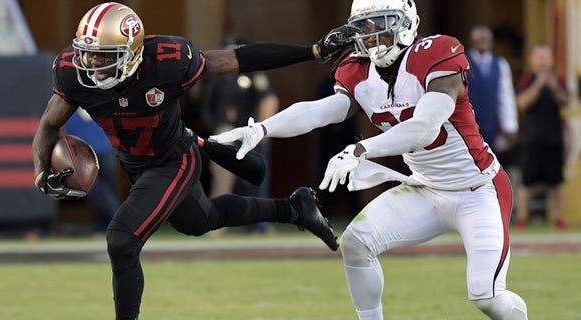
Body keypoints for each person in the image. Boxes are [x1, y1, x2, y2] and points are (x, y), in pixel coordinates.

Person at [32, 2, 357, 319]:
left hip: (174, 158)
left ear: (131, 54)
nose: (90, 62)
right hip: (136, 164)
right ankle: (294, 208)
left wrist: (312, 52)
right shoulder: (73, 74)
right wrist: (41, 174)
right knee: (202, 219)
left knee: (121, 238)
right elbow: (49, 124)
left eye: (102, 55)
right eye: (86, 52)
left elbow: (240, 59)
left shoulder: (167, 61)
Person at [210, 0, 528, 318]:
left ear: (406, 23)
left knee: (486, 296)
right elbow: (319, 110)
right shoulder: (359, 68)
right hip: (426, 189)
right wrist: (262, 129)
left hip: (477, 189)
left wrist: (361, 149)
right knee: (356, 243)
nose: (371, 34)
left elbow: (424, 128)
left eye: (380, 23)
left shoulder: (435, 54)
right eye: (364, 26)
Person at [200, 36, 280, 234]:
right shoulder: (216, 77)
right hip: (225, 133)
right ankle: (216, 224)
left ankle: (259, 223)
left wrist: (262, 130)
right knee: (221, 179)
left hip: (250, 132)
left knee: (255, 179)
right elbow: (206, 106)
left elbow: (268, 99)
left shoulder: (254, 73)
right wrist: (217, 125)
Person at [514, 43, 569, 231]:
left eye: (546, 57)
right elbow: (522, 104)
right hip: (531, 138)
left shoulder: (559, 80)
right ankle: (522, 218)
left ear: (551, 59)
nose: (543, 61)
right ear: (532, 60)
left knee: (555, 182)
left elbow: (565, 102)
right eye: (539, 57)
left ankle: (558, 218)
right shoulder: (526, 80)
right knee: (526, 182)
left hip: (553, 138)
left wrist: (553, 87)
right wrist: (539, 83)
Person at [64, 107, 120, 234]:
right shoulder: (68, 108)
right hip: (84, 153)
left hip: (103, 149)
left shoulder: (94, 101)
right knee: (95, 189)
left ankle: (106, 224)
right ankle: (116, 221)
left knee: (108, 188)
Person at [466, 25, 518, 154]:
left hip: (490, 123)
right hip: (467, 123)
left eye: (486, 39)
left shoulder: (500, 64)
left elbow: (505, 96)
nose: (483, 42)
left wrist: (510, 125)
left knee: (489, 160)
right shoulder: (462, 62)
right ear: (472, 42)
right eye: (479, 39)